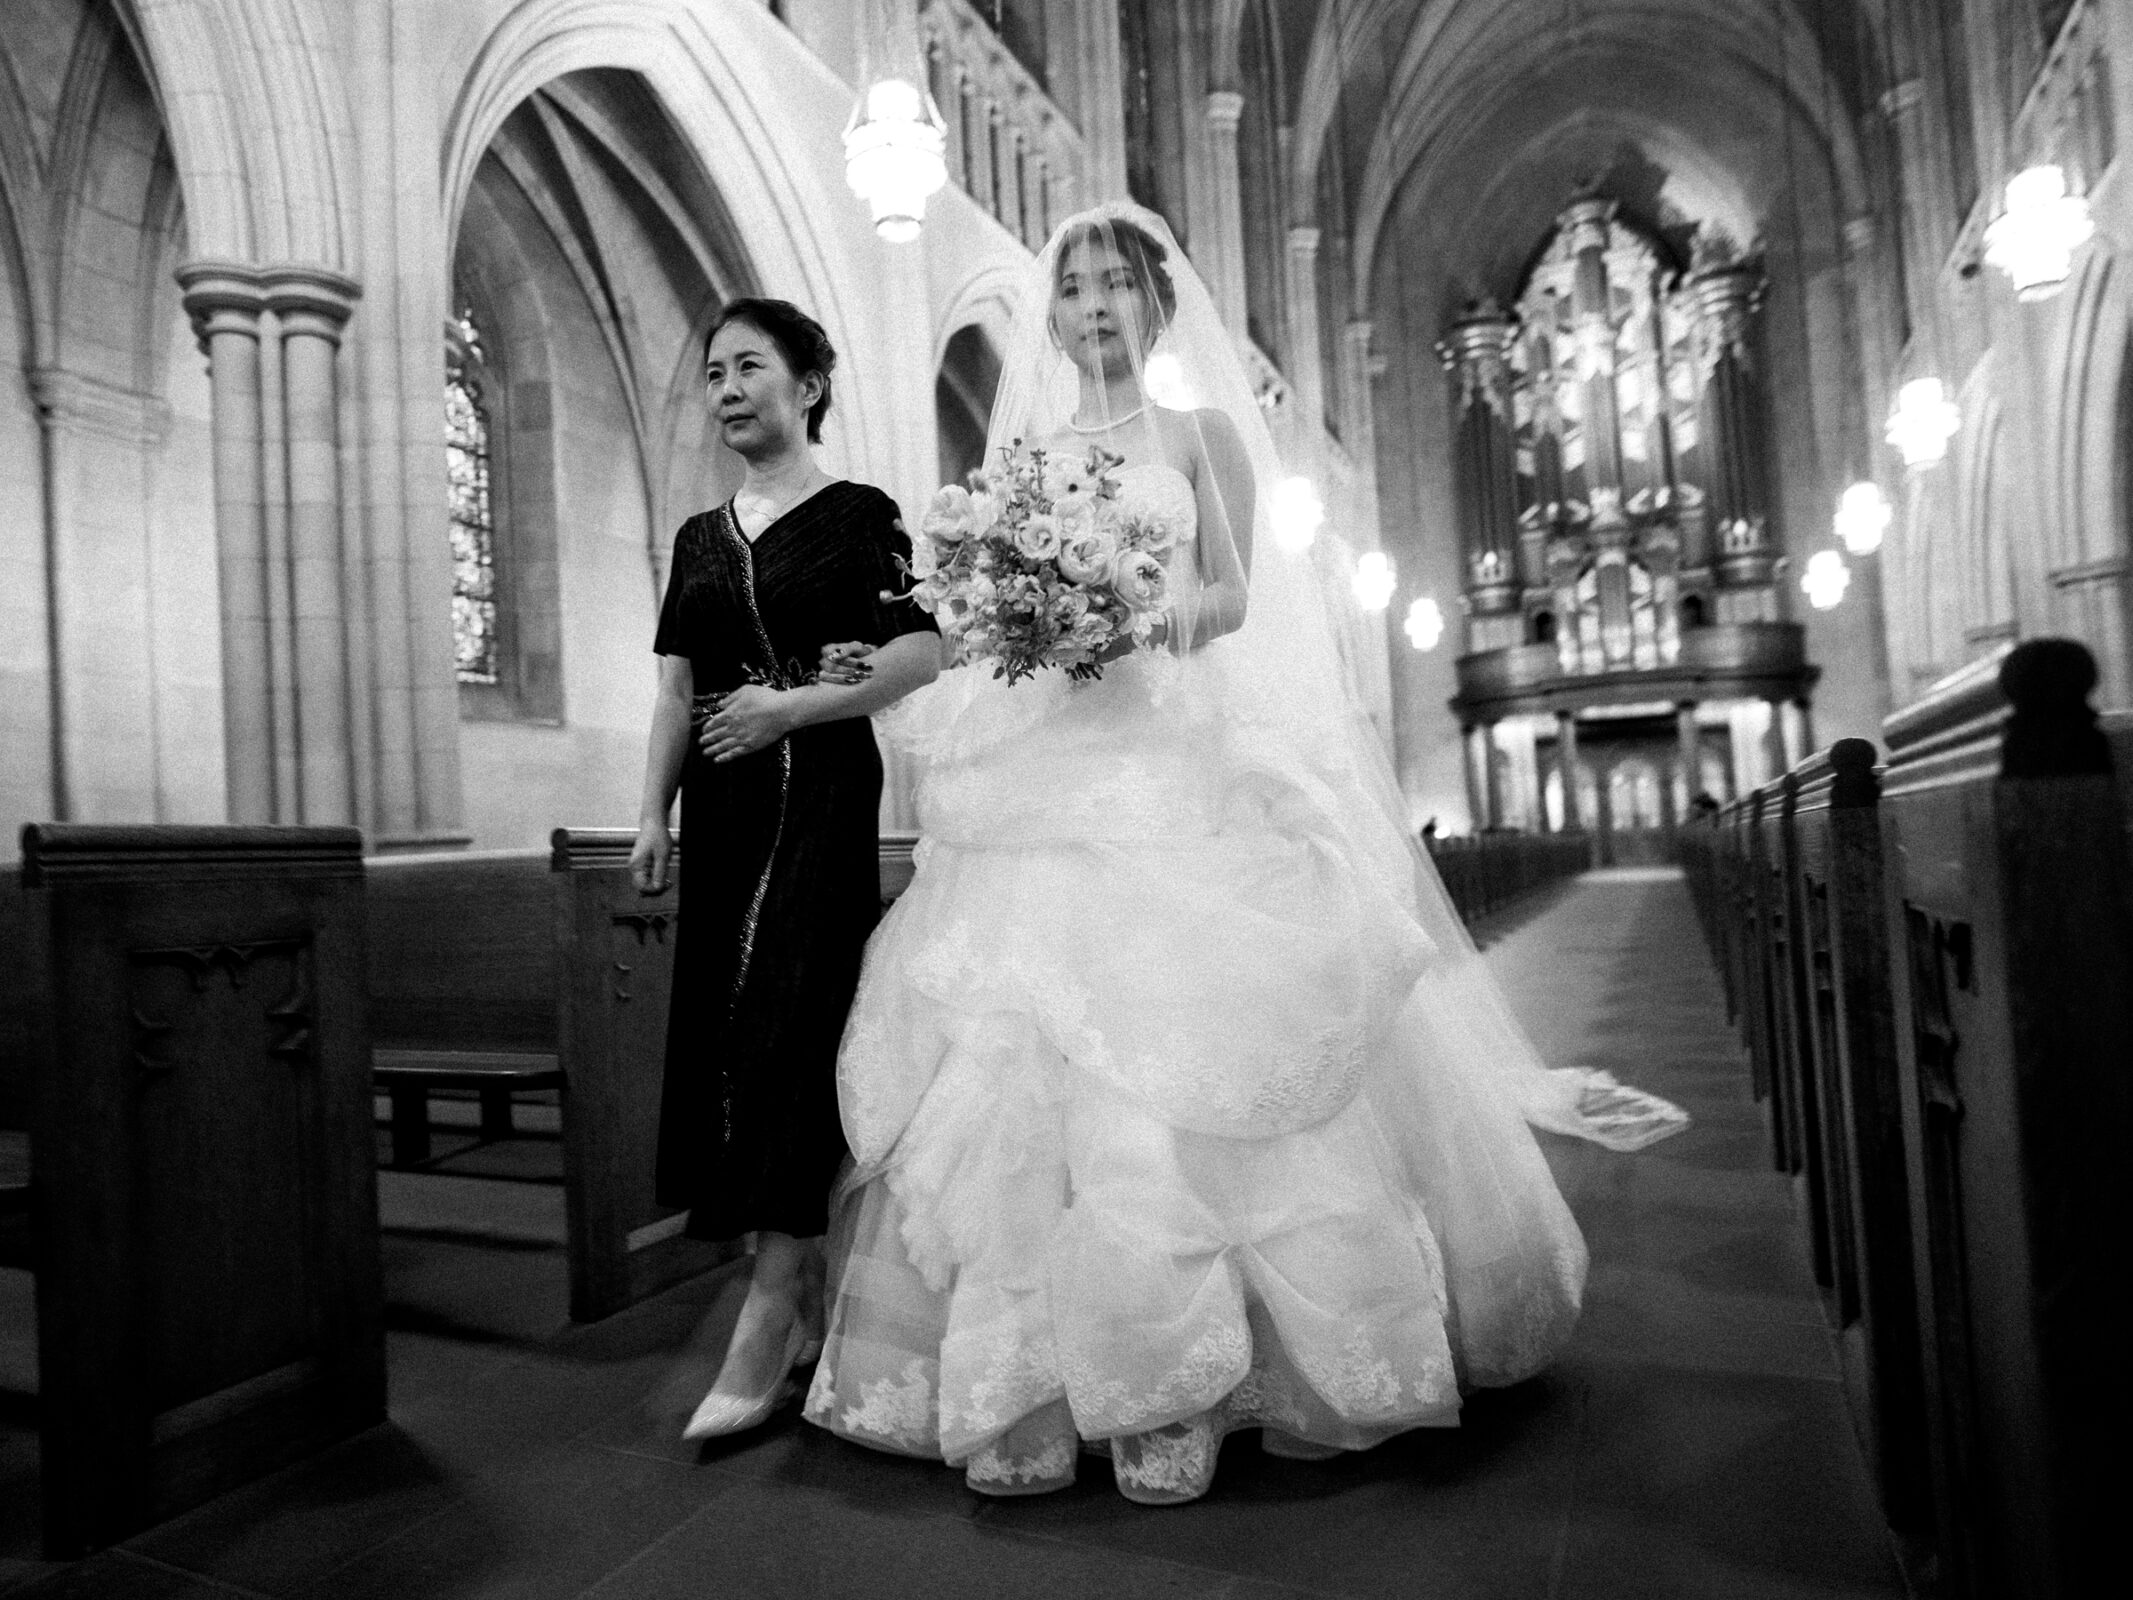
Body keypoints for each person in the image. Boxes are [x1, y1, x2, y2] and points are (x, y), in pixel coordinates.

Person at [802, 206, 1685, 1504]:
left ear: (1158, 311)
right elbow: (982, 611)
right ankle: (1037, 1375)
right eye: (1075, 292)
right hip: (1057, 770)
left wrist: (1130, 605)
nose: (1094, 309)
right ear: (1049, 317)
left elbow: (1229, 594)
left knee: (1190, 1041)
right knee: (1021, 1044)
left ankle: (1204, 1380)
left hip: (1175, 752)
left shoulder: (1202, 436)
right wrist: (1020, 613)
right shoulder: (1032, 453)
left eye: (1117, 289)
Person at [629, 297, 940, 1442]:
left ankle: (768, 1309)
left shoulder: (861, 515)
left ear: (808, 384)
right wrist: (649, 813)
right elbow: (673, 689)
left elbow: (925, 649)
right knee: (729, 1022)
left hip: (818, 787)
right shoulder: (696, 541)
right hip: (720, 803)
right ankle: (797, 1277)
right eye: (713, 372)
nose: (726, 388)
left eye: (750, 366)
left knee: (789, 1020)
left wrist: (796, 706)